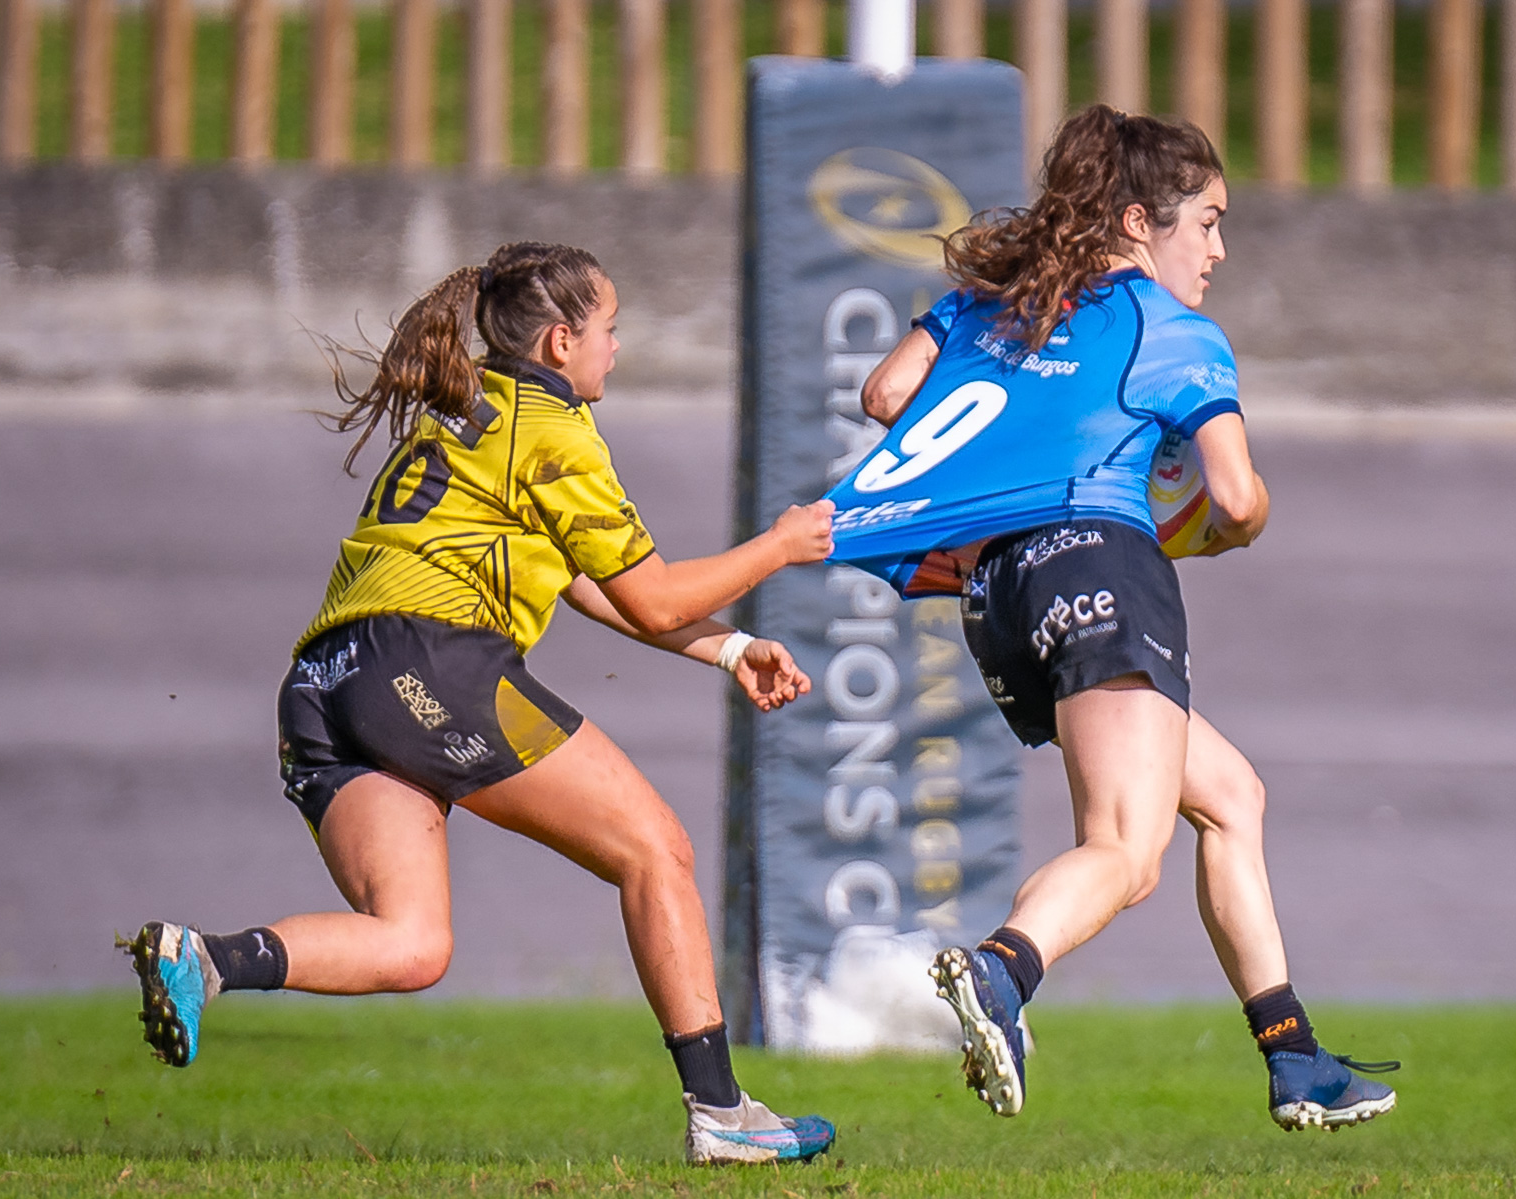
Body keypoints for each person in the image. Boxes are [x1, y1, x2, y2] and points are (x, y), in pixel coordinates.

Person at [119, 241, 838, 1165]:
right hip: (431, 660)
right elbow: (654, 594)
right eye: (609, 329)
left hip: (324, 683)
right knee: (656, 848)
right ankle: (722, 1113)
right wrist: (778, 545)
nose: (618, 347)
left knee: (412, 944)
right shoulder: (555, 429)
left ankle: (205, 959)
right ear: (559, 339)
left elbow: (594, 585)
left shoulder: (471, 408)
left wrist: (731, 646)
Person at [825, 108, 1399, 1131]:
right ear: (1140, 220)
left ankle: (1295, 1055)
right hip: (1101, 562)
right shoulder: (1172, 330)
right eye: (1209, 222)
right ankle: (1003, 969)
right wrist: (1227, 527)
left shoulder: (991, 301)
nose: (1219, 248)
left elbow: (885, 392)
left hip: (997, 589)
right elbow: (1237, 494)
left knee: (1229, 795)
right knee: (1128, 852)